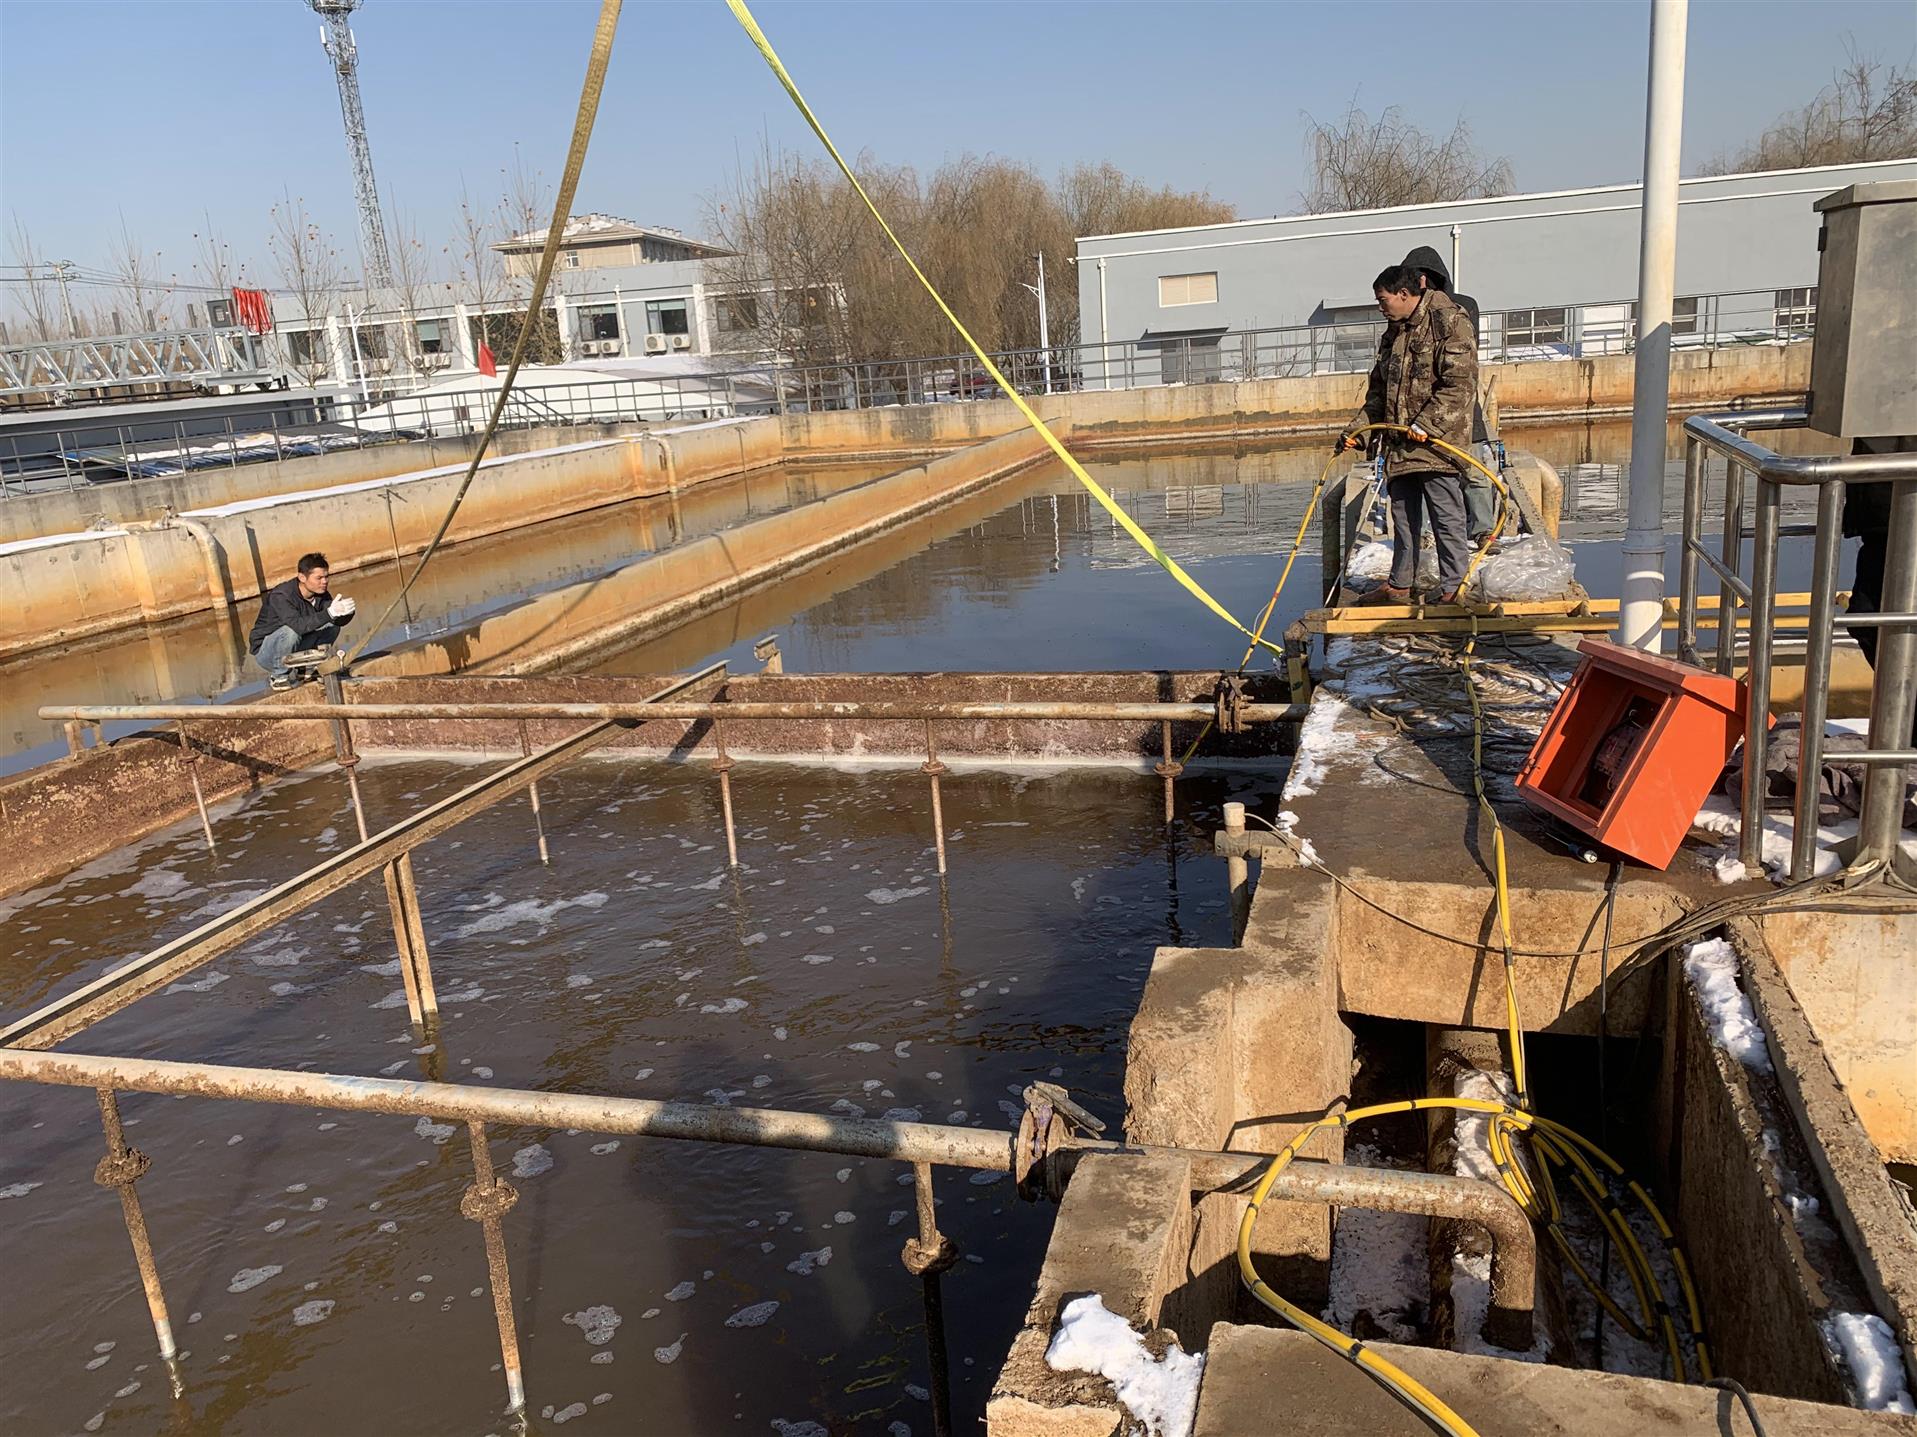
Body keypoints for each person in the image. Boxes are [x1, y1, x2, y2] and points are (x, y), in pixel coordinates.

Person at [1337, 264, 1479, 606]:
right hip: (1400, 446)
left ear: (1404, 294)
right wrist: (1359, 431)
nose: (1380, 306)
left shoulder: (1448, 320)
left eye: (1383, 299)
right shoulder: (1394, 330)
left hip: (1437, 445)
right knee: (1402, 517)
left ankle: (1453, 589)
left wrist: (1426, 425)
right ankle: (1401, 585)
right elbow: (1380, 390)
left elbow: (1459, 384)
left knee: (1446, 518)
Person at [1402, 244, 1499, 544]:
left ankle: (1482, 530)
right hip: (1421, 414)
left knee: (1475, 473)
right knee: (1430, 476)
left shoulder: (1461, 308)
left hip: (1462, 412)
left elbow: (1460, 373)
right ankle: (1432, 535)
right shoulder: (1407, 313)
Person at [248, 552, 355, 690]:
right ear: (302, 577)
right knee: (291, 631)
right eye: (319, 578)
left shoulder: (321, 593)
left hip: (296, 646)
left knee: (331, 624)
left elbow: (332, 620)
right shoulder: (282, 595)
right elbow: (299, 626)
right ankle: (279, 676)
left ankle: (309, 668)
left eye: (326, 576)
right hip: (267, 652)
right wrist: (330, 613)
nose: (325, 581)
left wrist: (345, 613)